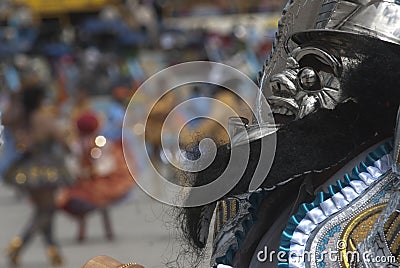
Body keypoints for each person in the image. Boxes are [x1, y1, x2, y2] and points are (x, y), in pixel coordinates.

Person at [82, 0, 400, 267]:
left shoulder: (390, 210)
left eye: (313, 66)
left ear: (381, 87)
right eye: (287, 61)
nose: (282, 81)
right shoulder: (265, 194)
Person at [3, 84, 71, 266]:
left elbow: (5, 119)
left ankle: (53, 250)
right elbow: (62, 140)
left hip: (26, 168)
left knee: (44, 209)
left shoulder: (21, 119)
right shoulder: (44, 118)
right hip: (46, 168)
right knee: (46, 210)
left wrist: (16, 99)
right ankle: (18, 245)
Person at [57, 112, 134, 242]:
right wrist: (88, 171)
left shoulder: (83, 143)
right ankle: (104, 231)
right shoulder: (94, 143)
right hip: (90, 181)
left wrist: (89, 171)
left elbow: (75, 163)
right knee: (99, 205)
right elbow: (105, 162)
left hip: (91, 180)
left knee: (97, 204)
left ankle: (93, 232)